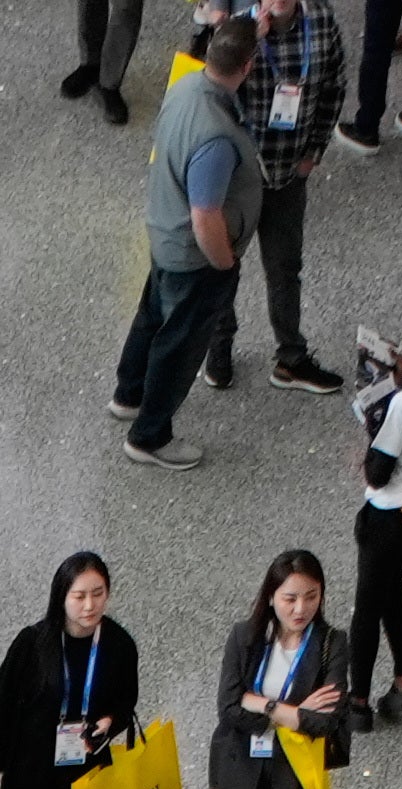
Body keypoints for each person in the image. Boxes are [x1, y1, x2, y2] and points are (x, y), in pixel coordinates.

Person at [112, 16, 262, 466]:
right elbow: (205, 215)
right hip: (195, 257)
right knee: (179, 344)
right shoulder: (215, 135)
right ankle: (150, 437)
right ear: (248, 67)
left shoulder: (184, 86)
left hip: (163, 232)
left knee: (150, 319)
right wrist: (224, 262)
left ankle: (129, 394)